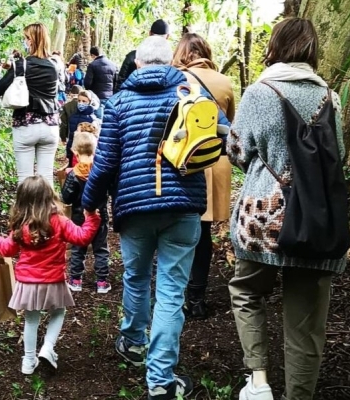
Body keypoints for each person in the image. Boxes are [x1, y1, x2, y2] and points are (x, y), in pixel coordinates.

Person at [82, 36, 230, 400]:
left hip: (134, 209)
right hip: (183, 207)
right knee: (170, 293)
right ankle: (161, 381)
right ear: (170, 63)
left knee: (135, 276)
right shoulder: (191, 93)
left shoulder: (117, 104)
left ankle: (133, 344)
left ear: (136, 65)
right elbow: (224, 134)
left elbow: (104, 165)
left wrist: (90, 203)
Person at [226, 18, 345, 400]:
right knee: (307, 324)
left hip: (264, 218)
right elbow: (337, 157)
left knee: (246, 291)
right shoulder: (331, 96)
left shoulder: (260, 91)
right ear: (311, 50)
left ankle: (259, 382)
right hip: (316, 220)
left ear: (275, 47)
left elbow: (237, 150)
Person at [0, 176, 101, 375]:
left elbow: (7, 249)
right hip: (53, 280)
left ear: (21, 200)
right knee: (58, 313)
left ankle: (28, 361)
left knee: (31, 320)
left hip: (28, 282)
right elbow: (82, 237)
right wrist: (92, 218)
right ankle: (48, 347)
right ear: (50, 196)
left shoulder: (20, 224)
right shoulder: (59, 221)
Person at [171, 33, 236, 320]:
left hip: (185, 160)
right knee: (204, 230)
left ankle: (176, 289)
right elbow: (230, 125)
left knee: (179, 225)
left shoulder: (175, 78)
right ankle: (196, 297)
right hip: (216, 160)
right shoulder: (223, 82)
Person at [0, 23, 61, 185]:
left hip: (26, 125)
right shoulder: (55, 65)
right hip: (50, 127)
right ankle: (48, 211)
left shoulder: (21, 66)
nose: (24, 41)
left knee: (25, 180)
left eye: (25, 38)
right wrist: (14, 66)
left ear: (31, 40)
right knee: (47, 179)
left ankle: (26, 211)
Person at [61, 132, 111, 294]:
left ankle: (75, 280)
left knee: (78, 248)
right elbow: (109, 191)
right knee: (101, 248)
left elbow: (66, 198)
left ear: (75, 152)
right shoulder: (101, 172)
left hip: (79, 218)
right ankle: (102, 282)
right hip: (99, 216)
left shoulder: (74, 174)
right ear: (95, 150)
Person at [115, 19, 169, 93]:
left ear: (149, 33)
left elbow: (120, 83)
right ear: (168, 36)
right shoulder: (171, 61)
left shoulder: (133, 56)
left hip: (132, 101)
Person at [60, 90, 98, 167]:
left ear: (89, 102)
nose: (81, 103)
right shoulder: (73, 116)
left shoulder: (92, 119)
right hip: (73, 149)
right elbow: (70, 134)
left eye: (84, 101)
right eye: (79, 101)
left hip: (85, 152)